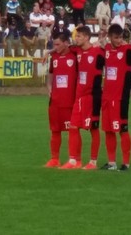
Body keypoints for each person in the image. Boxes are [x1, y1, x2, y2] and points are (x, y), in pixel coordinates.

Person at [60, 26, 104, 169]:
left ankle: (93, 162)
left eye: (78, 36)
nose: (76, 38)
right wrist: (49, 51)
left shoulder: (98, 52)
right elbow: (62, 47)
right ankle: (74, 160)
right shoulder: (76, 50)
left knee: (93, 128)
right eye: (75, 36)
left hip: (93, 96)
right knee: (73, 127)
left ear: (86, 37)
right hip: (79, 96)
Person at [100, 24, 131, 171]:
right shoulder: (107, 50)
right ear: (110, 37)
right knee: (108, 130)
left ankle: (126, 163)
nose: (119, 40)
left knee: (122, 129)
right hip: (107, 97)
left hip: (120, 98)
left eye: (121, 37)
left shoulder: (129, 50)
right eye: (116, 38)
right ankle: (111, 163)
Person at [44, 33, 78, 168]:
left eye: (58, 44)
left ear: (66, 43)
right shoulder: (55, 57)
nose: (55, 47)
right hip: (55, 101)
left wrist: (49, 51)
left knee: (73, 130)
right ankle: (54, 159)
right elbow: (51, 73)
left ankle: (74, 160)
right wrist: (49, 86)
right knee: (55, 130)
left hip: (70, 101)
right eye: (54, 45)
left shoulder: (75, 55)